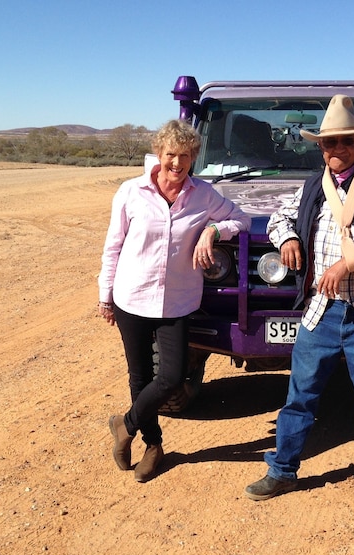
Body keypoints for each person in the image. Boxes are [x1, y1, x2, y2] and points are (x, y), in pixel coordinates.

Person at [243, 95, 354, 529]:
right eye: (327, 144)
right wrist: (285, 239)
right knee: (299, 398)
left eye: (342, 142)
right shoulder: (311, 187)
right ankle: (282, 472)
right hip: (320, 313)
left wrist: (350, 263)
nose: (334, 150)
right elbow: (278, 219)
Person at [99, 120, 250, 482]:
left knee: (171, 376)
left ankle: (125, 423)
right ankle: (153, 446)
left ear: (193, 158)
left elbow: (241, 220)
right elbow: (113, 246)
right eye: (171, 155)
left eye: (185, 156)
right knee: (140, 377)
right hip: (132, 297)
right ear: (159, 153)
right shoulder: (131, 191)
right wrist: (105, 295)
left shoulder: (203, 194)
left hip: (177, 302)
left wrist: (213, 230)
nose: (177, 164)